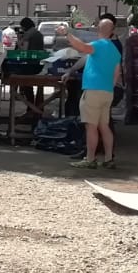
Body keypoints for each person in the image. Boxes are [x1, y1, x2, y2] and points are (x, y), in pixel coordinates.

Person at [58, 19, 122, 168]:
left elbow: (81, 47)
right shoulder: (114, 50)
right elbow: (117, 73)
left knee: (91, 127)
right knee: (104, 126)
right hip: (107, 91)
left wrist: (67, 34)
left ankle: (90, 159)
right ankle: (108, 158)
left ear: (97, 28)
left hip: (93, 90)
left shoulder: (97, 45)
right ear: (112, 31)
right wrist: (110, 87)